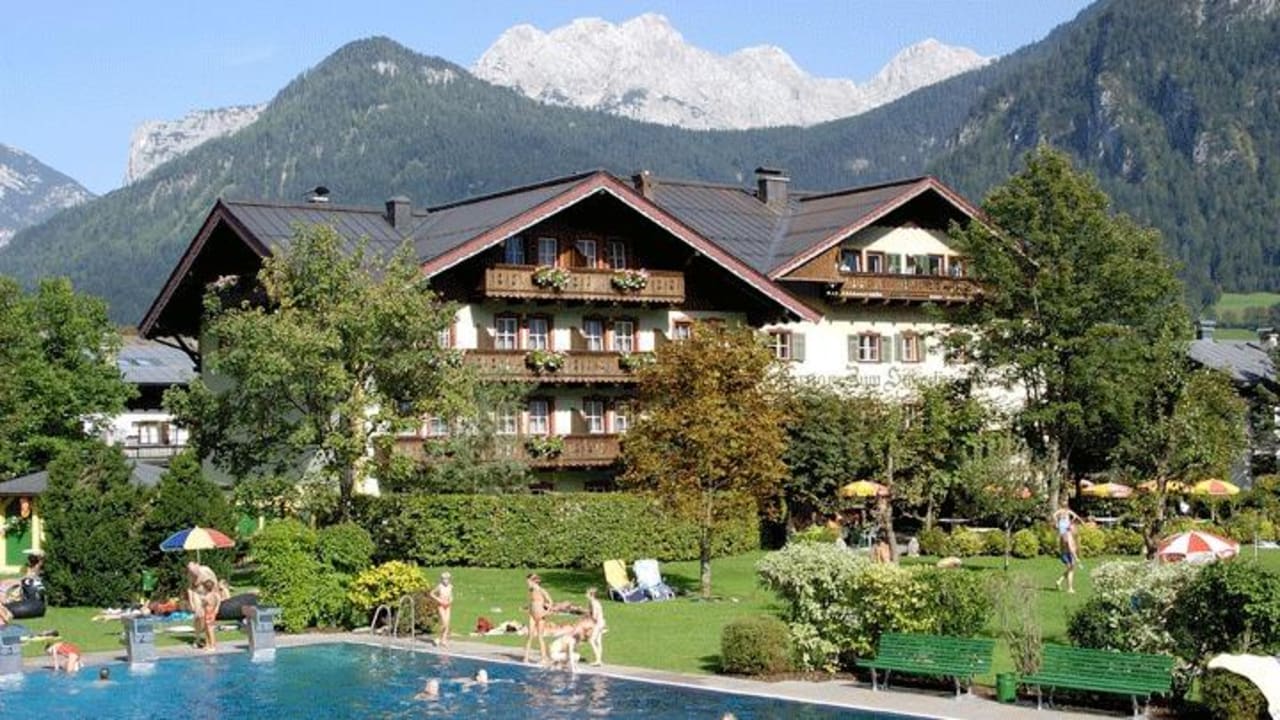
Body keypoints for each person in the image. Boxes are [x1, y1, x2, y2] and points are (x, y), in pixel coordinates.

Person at [1053, 501, 1082, 593]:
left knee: (1070, 568)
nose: (1075, 528)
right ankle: (1069, 588)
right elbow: (1070, 547)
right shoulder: (1068, 534)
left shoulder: (1065, 534)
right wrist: (1076, 558)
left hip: (1063, 552)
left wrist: (1057, 522)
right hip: (1068, 553)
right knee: (1071, 570)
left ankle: (1059, 581)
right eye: (1074, 527)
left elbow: (1074, 516)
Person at [523, 574, 552, 664]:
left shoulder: (541, 590)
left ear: (533, 581)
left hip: (540, 615)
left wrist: (546, 612)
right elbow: (532, 601)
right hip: (532, 614)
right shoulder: (531, 590)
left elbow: (550, 601)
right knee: (530, 636)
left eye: (528, 582)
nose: (527, 584)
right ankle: (526, 657)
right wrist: (528, 608)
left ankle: (544, 658)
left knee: (540, 636)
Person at [429, 572, 453, 648]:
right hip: (441, 606)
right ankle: (438, 638)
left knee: (447, 624)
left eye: (447, 579)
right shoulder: (439, 586)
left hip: (448, 605)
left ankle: (444, 640)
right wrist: (439, 599)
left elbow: (451, 595)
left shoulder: (450, 586)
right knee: (444, 622)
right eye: (444, 579)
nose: (446, 581)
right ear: (442, 580)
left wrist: (451, 600)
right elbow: (431, 593)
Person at [585, 587, 605, 666]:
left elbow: (595, 615)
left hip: (597, 623)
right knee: (598, 641)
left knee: (592, 640)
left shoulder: (593, 602)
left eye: (587, 593)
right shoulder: (597, 602)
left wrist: (591, 622)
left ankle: (598, 660)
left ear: (591, 595)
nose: (586, 595)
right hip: (601, 622)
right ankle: (599, 659)